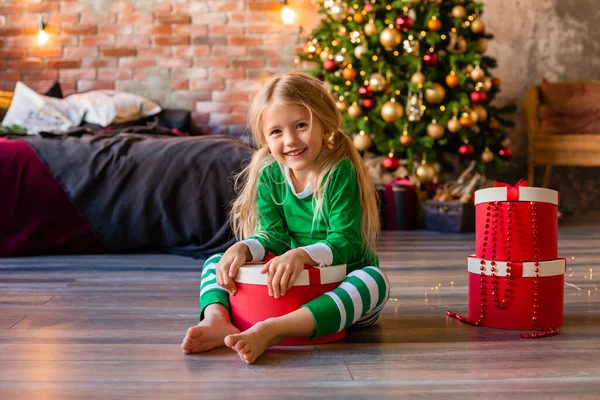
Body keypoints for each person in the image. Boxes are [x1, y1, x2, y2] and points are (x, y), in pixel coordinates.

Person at [181, 72, 390, 364]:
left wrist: (301, 255)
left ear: (323, 124)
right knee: (217, 262)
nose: (291, 140)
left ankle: (274, 329)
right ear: (265, 138)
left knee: (373, 280)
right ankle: (217, 319)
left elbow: (347, 242)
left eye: (301, 125)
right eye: (276, 132)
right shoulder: (270, 172)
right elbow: (273, 237)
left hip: (341, 285)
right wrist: (243, 248)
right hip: (297, 288)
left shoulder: (339, 170)